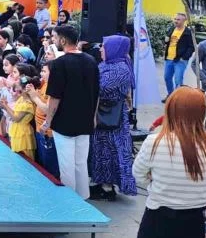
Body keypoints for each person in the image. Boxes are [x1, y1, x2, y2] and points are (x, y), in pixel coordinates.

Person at [133, 87, 206, 238]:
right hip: (199, 219)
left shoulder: (154, 142)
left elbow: (138, 175)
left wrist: (157, 179)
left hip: (160, 217)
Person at [40, 25, 100, 199]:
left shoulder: (59, 64)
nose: (53, 40)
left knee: (67, 165)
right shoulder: (91, 60)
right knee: (80, 163)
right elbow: (96, 93)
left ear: (63, 40)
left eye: (54, 37)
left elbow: (54, 97)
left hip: (64, 122)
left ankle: (70, 202)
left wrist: (48, 121)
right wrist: (93, 117)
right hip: (85, 120)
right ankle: (83, 198)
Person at [89, 35, 137, 201]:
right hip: (105, 115)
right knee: (100, 151)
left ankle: (107, 187)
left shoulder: (119, 69)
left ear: (114, 48)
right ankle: (101, 183)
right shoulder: (109, 64)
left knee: (110, 152)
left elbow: (99, 88)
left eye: (104, 46)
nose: (101, 49)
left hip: (111, 117)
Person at [162, 13, 194, 100]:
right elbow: (167, 41)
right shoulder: (172, 29)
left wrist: (185, 57)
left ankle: (177, 99)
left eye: (178, 19)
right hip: (169, 58)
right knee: (167, 78)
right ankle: (170, 95)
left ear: (184, 21)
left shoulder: (188, 32)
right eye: (175, 19)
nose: (176, 21)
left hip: (180, 60)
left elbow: (191, 47)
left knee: (178, 80)